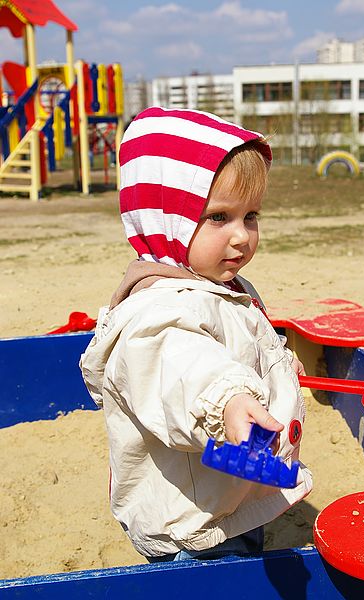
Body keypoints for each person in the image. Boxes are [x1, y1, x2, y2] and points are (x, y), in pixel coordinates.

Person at [80, 106, 313, 562]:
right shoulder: (158, 313)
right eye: (219, 217)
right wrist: (226, 400)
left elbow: (238, 345)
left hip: (228, 495)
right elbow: (184, 368)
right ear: (166, 219)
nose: (242, 236)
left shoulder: (218, 287)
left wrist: (277, 367)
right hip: (193, 526)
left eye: (251, 216)